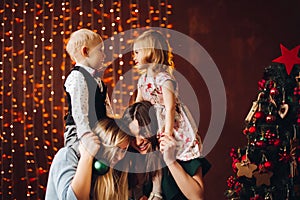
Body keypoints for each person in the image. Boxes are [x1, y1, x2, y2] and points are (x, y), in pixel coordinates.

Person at [133, 30, 201, 162]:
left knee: (171, 151)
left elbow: (170, 107)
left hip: (167, 121)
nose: (134, 57)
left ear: (150, 52)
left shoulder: (164, 78)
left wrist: (168, 133)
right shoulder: (142, 79)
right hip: (152, 120)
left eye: (137, 52)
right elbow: (138, 103)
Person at [122, 101, 211, 200]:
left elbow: (197, 197)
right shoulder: (130, 158)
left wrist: (170, 161)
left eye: (143, 132)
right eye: (132, 136)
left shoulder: (181, 147)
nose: (138, 142)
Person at [45, 118, 130, 200]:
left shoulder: (107, 172)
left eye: (123, 151)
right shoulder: (67, 155)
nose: (120, 157)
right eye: (117, 150)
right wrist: (87, 156)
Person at [64, 28, 113, 146]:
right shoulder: (77, 77)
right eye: (100, 50)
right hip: (81, 134)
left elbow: (107, 108)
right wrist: (86, 135)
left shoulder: (96, 79)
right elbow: (79, 111)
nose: (104, 55)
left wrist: (112, 128)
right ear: (85, 52)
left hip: (99, 130)